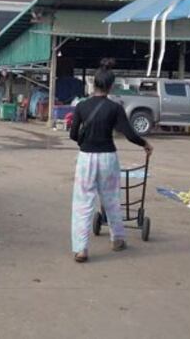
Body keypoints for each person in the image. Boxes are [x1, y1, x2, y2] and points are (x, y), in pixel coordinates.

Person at [68, 58, 153, 263]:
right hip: (108, 158)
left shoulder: (81, 106)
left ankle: (81, 250)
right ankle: (117, 240)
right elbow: (129, 133)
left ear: (92, 83)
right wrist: (145, 144)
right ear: (111, 85)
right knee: (112, 199)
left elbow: (72, 134)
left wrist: (84, 143)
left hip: (86, 158)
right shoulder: (115, 108)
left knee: (83, 203)